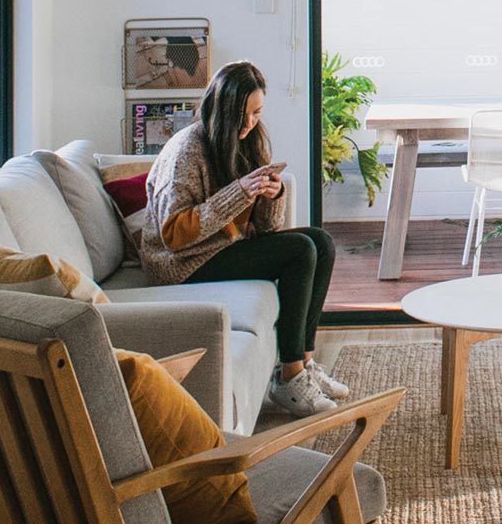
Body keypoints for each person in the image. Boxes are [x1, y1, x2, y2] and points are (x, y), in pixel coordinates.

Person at [141, 60, 347, 416]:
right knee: (299, 250)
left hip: (220, 248)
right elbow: (174, 234)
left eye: (257, 112)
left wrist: (272, 194)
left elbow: (266, 230)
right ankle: (289, 377)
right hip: (181, 264)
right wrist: (237, 193)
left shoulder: (249, 140)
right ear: (223, 109)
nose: (251, 122)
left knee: (321, 242)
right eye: (244, 114)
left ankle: (305, 363)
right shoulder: (186, 150)